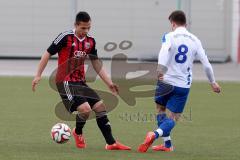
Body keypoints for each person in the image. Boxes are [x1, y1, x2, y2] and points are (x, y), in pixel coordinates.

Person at [32, 11, 131, 150]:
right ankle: (78, 132)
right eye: (83, 28)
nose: (86, 31)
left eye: (88, 28)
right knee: (85, 110)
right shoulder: (65, 37)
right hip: (65, 81)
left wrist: (109, 83)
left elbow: (96, 63)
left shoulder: (90, 41)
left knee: (100, 107)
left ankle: (111, 143)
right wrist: (38, 75)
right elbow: (47, 53)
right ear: (76, 25)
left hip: (80, 81)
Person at [138, 10, 221, 152]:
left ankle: (159, 137)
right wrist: (213, 82)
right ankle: (163, 141)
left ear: (173, 23)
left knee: (160, 109)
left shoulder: (169, 36)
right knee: (173, 118)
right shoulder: (195, 40)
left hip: (165, 81)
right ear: (186, 24)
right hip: (182, 85)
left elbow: (164, 51)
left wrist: (160, 70)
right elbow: (206, 64)